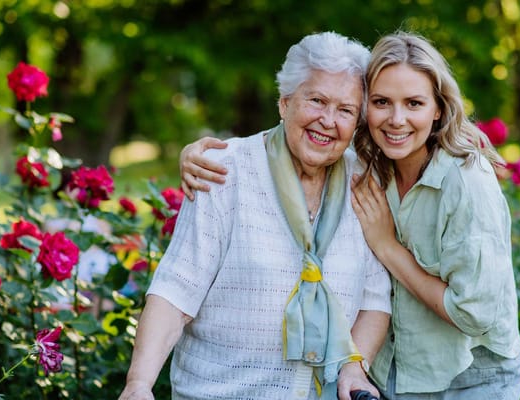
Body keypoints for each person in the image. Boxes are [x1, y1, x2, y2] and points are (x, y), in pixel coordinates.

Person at [179, 31, 520, 399]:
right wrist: (205, 156)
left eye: (414, 103)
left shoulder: (466, 183)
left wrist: (388, 247)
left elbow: (473, 314)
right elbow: (294, 137)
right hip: (394, 372)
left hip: (469, 377)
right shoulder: (370, 166)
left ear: (438, 108)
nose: (396, 119)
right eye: (381, 102)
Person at [119, 31, 391, 400]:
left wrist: (354, 366)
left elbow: (375, 297)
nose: (328, 120)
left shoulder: (364, 182)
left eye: (344, 110)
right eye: (316, 100)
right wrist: (138, 385)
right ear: (284, 103)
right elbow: (175, 291)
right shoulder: (224, 171)